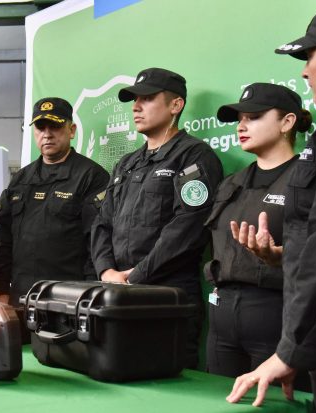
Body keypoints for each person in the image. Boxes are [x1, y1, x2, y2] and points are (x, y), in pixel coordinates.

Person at [226, 2, 316, 411]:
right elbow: (315, 239)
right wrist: (287, 257)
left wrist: (293, 349)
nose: (303, 70)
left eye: (309, 56)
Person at [91, 67, 224, 368]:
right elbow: (102, 222)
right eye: (134, 100)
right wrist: (106, 272)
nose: (136, 107)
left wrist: (135, 276)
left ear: (176, 105)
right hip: (116, 293)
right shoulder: (126, 163)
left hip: (167, 296)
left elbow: (188, 229)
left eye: (148, 98)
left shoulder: (193, 157)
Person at [204, 83, 312, 387]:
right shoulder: (231, 184)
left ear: (287, 122)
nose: (242, 126)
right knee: (220, 401)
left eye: (254, 117)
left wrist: (281, 255)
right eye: (240, 119)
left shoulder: (309, 180)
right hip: (222, 319)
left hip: (278, 316)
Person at [0, 97, 109, 304]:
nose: (47, 134)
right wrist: (1, 292)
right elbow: (3, 241)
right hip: (20, 297)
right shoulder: (20, 179)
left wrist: (90, 296)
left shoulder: (91, 177)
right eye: (40, 127)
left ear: (71, 130)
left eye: (54, 126)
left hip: (69, 300)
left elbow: (96, 244)